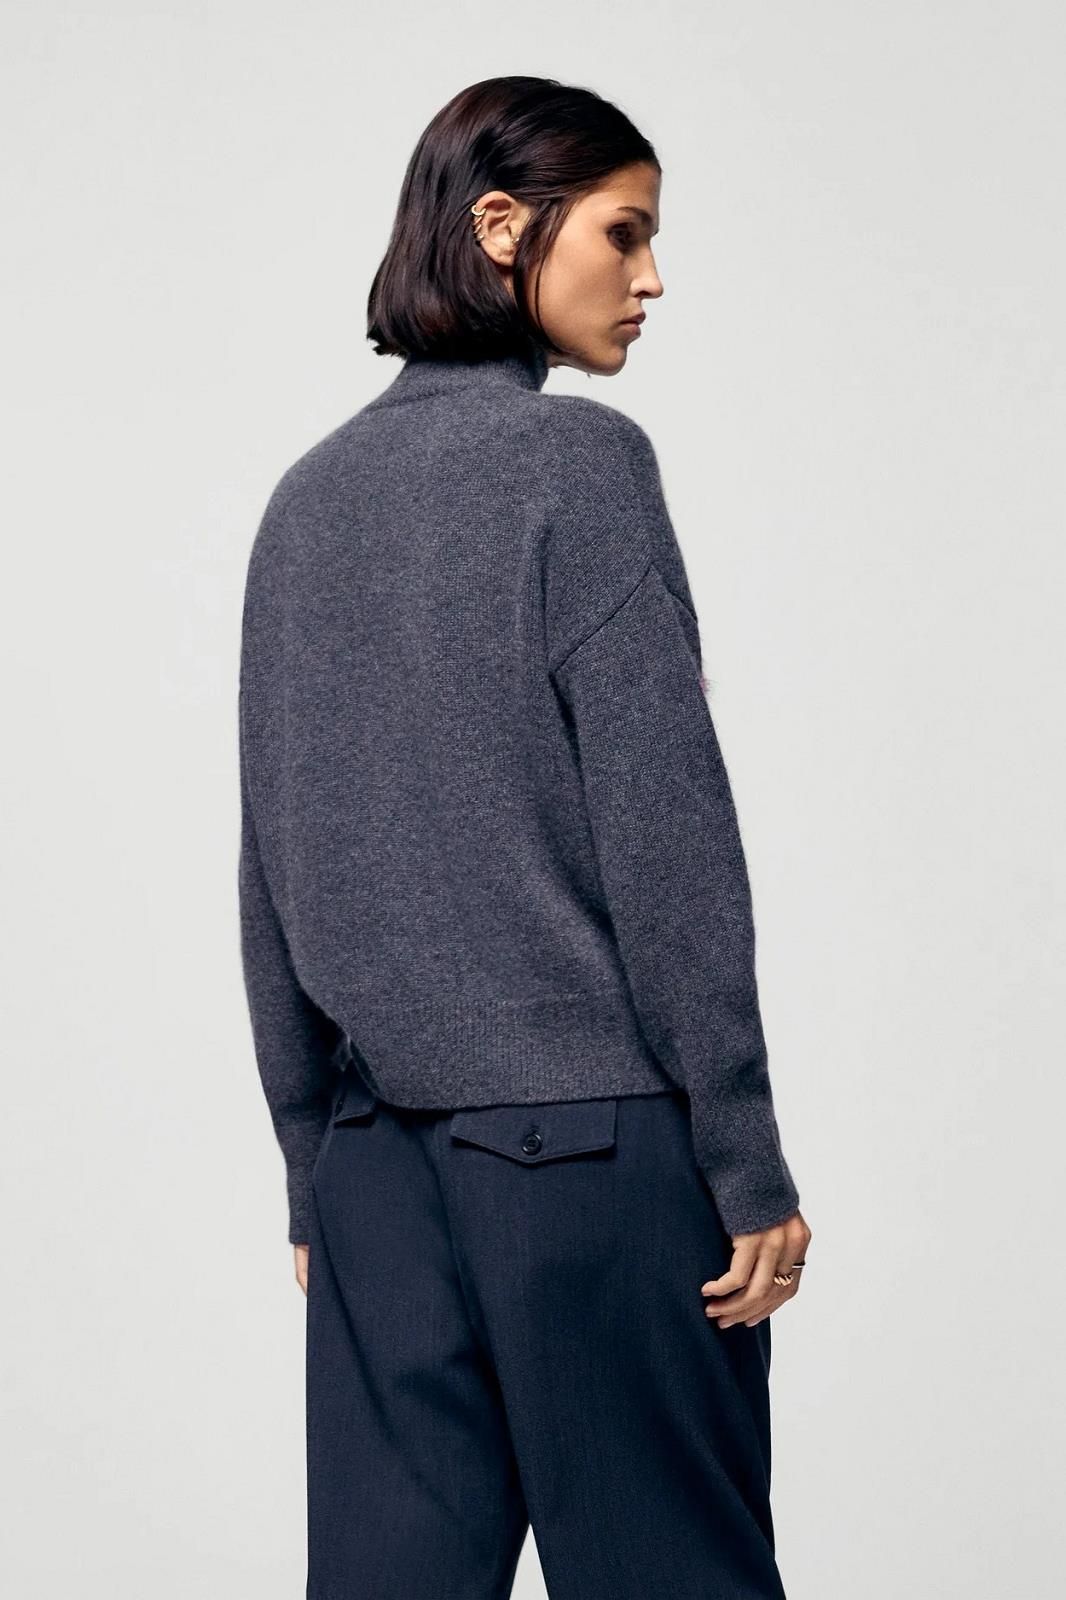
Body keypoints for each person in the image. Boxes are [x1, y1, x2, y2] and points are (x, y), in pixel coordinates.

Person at [237, 73, 812, 1600]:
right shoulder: (580, 469)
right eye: (623, 233)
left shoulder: (305, 502)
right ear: (502, 227)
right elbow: (666, 839)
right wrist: (742, 1154)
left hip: (376, 1174)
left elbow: (269, 863)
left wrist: (310, 1167)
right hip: (595, 1160)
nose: (650, 277)